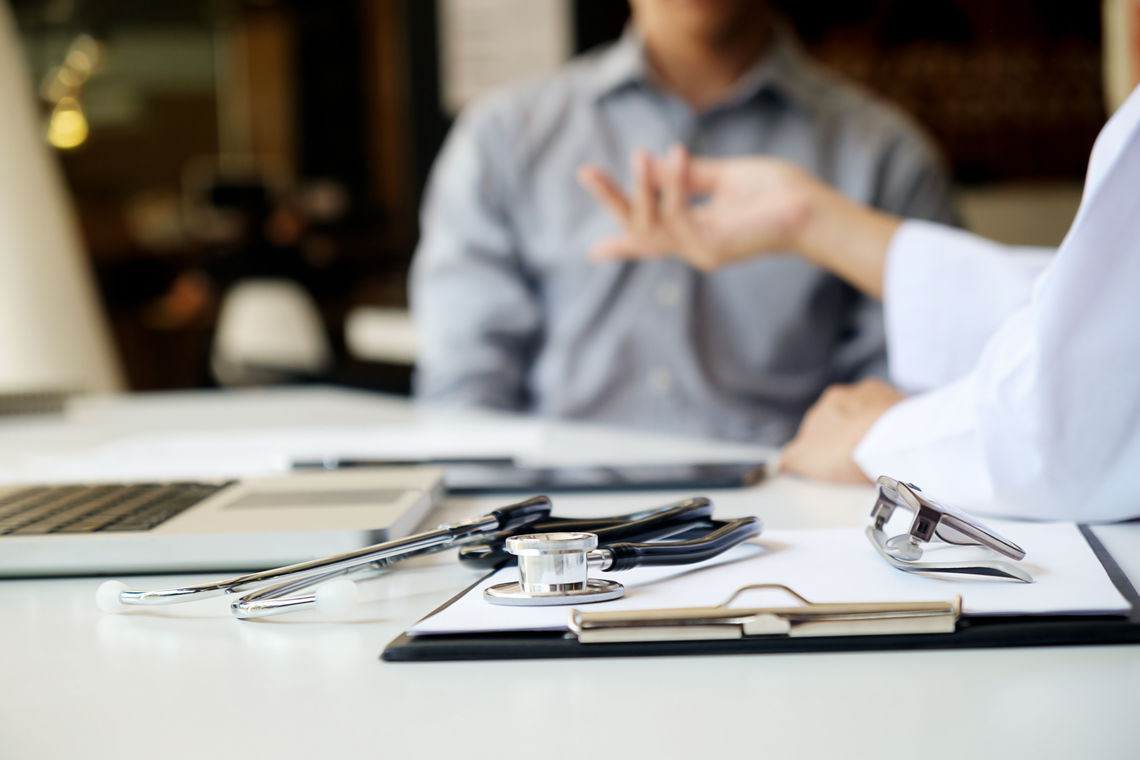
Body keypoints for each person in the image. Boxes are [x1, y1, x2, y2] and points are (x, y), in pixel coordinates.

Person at [581, 85, 1140, 523]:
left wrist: (886, 438)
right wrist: (808, 219)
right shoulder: (517, 132)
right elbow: (1090, 315)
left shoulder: (884, 144)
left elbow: (1088, 407)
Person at [410, 0, 956, 445]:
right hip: (556, 522)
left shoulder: (885, 155)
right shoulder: (505, 138)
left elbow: (916, 400)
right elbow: (465, 393)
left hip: (794, 523)